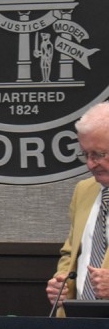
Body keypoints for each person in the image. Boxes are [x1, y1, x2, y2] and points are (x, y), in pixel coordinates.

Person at [47, 101, 109, 311]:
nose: (91, 164)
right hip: (80, 324)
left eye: (99, 154)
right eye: (86, 154)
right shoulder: (84, 190)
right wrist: (61, 282)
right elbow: (71, 252)